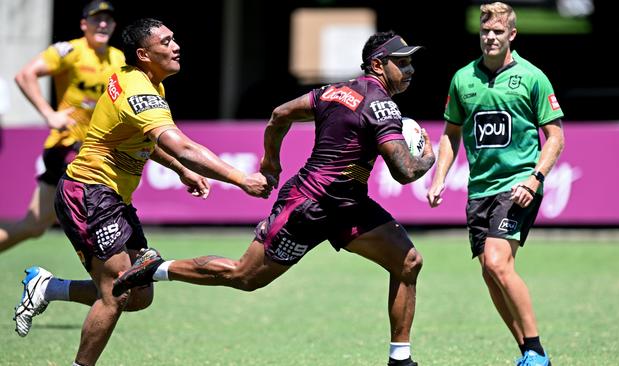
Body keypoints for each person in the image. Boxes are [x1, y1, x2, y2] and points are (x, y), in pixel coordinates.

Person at [113, 30, 435, 366]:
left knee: (407, 261)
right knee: (244, 277)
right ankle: (158, 269)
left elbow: (280, 114)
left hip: (349, 204)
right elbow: (404, 172)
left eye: (411, 62)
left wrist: (271, 161)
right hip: (310, 206)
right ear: (378, 64)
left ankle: (401, 359)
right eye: (402, 62)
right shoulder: (380, 106)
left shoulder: (334, 91)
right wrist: (427, 156)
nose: (410, 69)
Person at [14, 18, 272, 366]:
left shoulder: (147, 84)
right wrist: (241, 179)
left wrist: (180, 171)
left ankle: (49, 288)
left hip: (112, 197)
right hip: (89, 191)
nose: (175, 46)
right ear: (143, 54)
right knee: (117, 292)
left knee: (138, 295)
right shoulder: (139, 91)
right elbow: (183, 147)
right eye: (165, 42)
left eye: (174, 38)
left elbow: (149, 143)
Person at [426, 3, 564, 366]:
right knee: (490, 273)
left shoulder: (533, 77)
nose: (491, 37)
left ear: (511, 35)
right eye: (486, 31)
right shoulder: (462, 79)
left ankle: (535, 349)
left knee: (498, 262)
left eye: (498, 32)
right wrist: (439, 177)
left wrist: (534, 180)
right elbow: (450, 133)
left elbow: (555, 138)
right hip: (479, 191)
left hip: (518, 185)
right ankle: (530, 354)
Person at [1, 0, 124, 254]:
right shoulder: (70, 51)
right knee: (99, 214)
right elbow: (25, 75)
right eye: (95, 19)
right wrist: (49, 114)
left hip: (92, 149)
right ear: (83, 24)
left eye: (107, 20)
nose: (102, 24)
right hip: (67, 146)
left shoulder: (118, 58)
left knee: (34, 226)